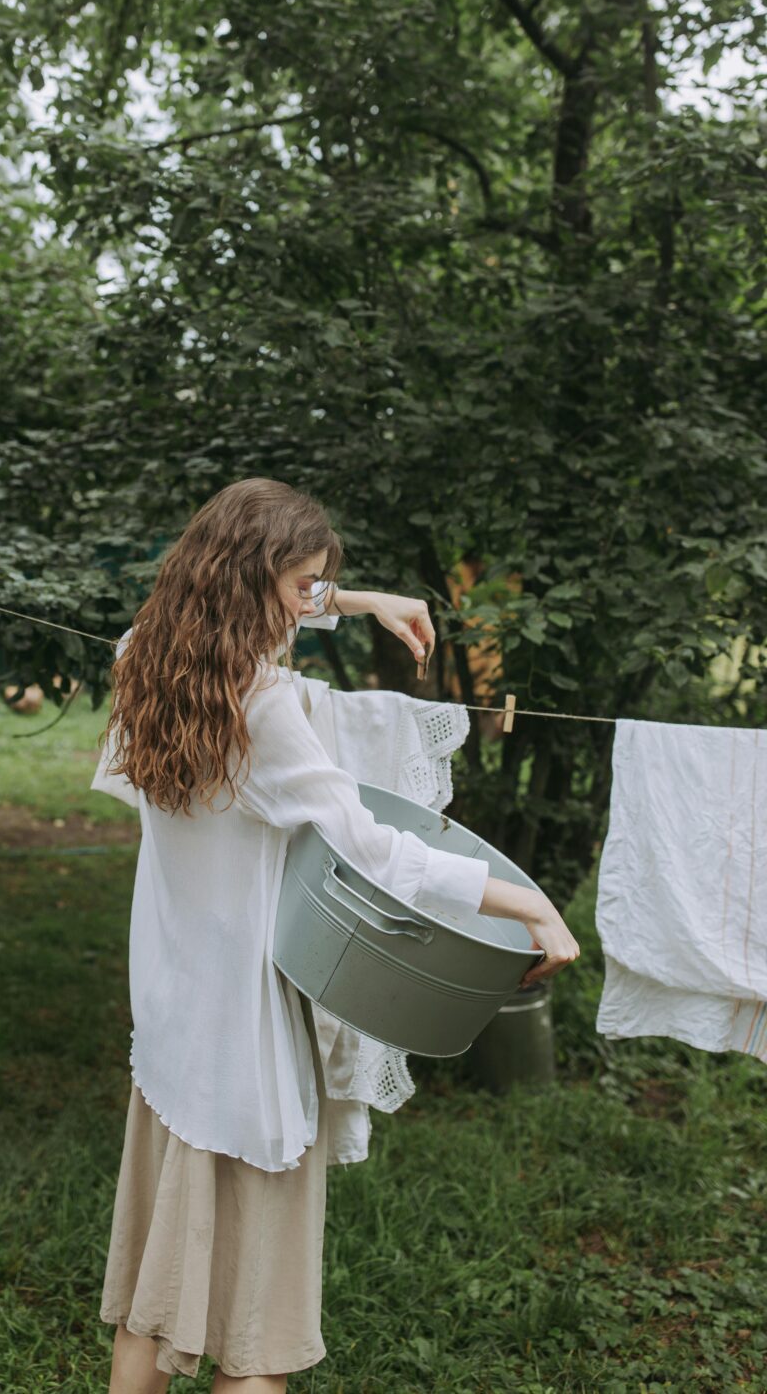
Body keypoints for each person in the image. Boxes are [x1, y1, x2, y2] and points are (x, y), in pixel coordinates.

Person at [93, 478, 580, 1393]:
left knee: (149, 1310)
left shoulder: (143, 661)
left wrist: (359, 600)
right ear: (253, 577)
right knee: (256, 1341)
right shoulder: (266, 708)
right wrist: (529, 904)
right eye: (306, 583)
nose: (313, 600)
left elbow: (238, 606)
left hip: (168, 1029)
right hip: (243, 1048)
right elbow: (373, 853)